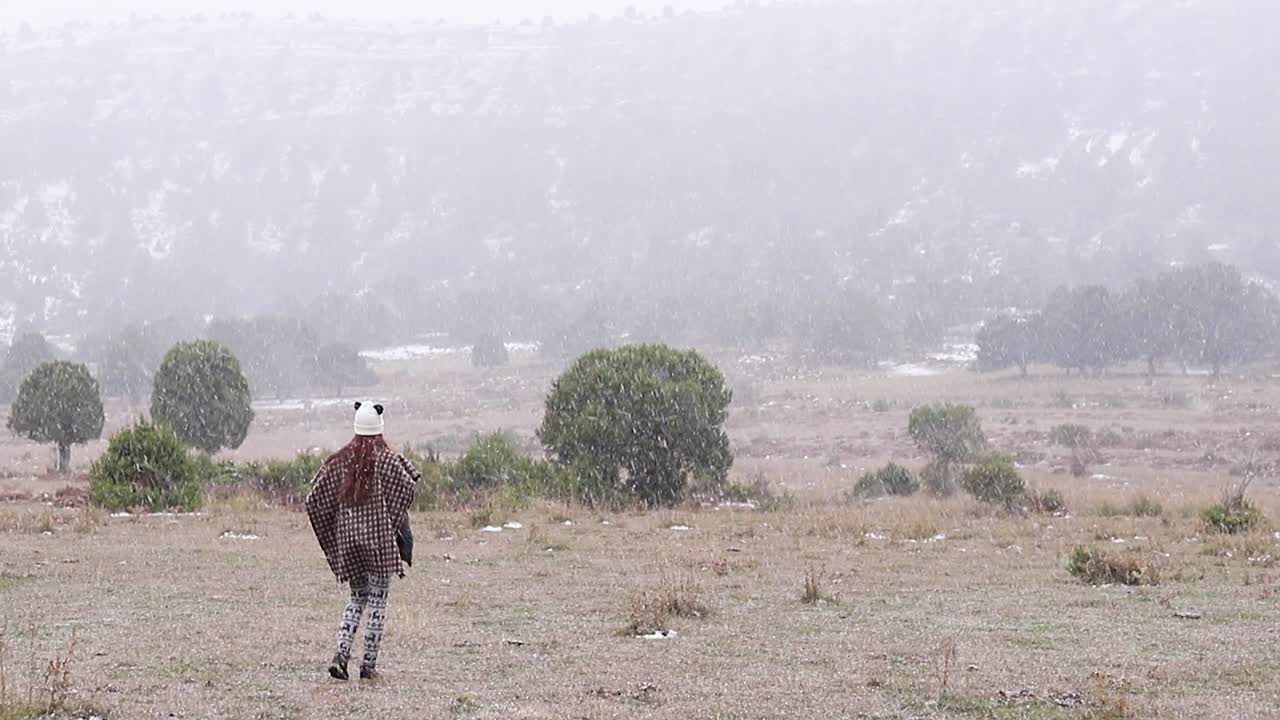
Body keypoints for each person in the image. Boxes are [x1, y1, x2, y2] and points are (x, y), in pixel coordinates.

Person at [305, 401, 419, 681]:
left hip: (349, 544)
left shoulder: (340, 461)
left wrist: (335, 529)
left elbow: (314, 500)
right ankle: (368, 667)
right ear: (379, 427)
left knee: (356, 599)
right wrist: (390, 519)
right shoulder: (389, 460)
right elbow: (408, 486)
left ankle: (340, 656)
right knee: (378, 602)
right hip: (379, 544)